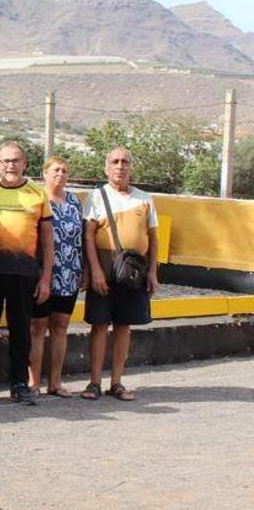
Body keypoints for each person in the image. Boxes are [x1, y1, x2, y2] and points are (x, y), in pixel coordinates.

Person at [0, 142, 53, 406]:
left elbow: (48, 241)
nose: (10, 166)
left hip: (24, 274)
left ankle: (19, 384)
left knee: (21, 331)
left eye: (16, 161)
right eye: (5, 161)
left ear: (25, 164)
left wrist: (45, 278)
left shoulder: (38, 194)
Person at [81, 147, 159, 401]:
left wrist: (153, 272)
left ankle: (116, 382)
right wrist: (94, 271)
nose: (120, 166)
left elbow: (153, 238)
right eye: (115, 161)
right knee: (100, 325)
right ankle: (94, 382)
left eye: (125, 161)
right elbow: (88, 236)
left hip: (134, 271)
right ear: (106, 168)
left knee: (124, 326)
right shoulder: (96, 197)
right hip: (104, 268)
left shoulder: (145, 199)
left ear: (131, 167)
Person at [29, 156, 84, 397]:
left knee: (60, 327)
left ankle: (55, 382)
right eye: (55, 170)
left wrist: (85, 271)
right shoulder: (37, 199)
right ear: (45, 174)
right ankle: (33, 383)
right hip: (42, 273)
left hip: (69, 272)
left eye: (64, 170)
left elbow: (82, 238)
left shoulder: (74, 201)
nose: (60, 174)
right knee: (38, 327)